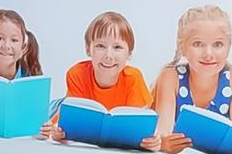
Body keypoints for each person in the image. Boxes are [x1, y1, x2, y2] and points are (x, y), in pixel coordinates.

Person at [150, 4, 232, 154]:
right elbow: (161, 135)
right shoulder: (171, 77)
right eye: (198, 44)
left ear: (229, 47)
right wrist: (164, 144)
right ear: (183, 47)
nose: (208, 54)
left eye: (218, 44)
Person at [42, 11, 156, 147]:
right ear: (88, 49)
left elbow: (137, 131)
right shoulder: (77, 74)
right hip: (55, 110)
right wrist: (60, 134)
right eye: (100, 46)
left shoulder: (133, 78)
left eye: (117, 47)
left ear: (129, 54)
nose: (108, 55)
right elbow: (69, 128)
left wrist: (151, 143)